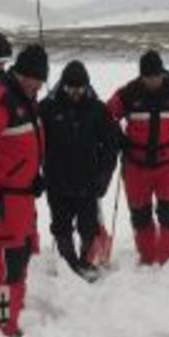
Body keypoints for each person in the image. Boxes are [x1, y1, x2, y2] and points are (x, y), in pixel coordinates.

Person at [0, 44, 48, 337]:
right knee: (7, 268)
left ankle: (14, 311)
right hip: (5, 200)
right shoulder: (0, 101)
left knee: (21, 260)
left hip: (24, 197)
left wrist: (35, 175)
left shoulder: (27, 99)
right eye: (36, 79)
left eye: (42, 79)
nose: (40, 84)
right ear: (23, 74)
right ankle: (4, 325)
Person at [107, 50, 169, 265]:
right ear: (141, 76)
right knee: (140, 215)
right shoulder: (128, 93)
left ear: (161, 73)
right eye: (148, 77)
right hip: (136, 165)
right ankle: (148, 258)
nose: (153, 81)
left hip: (167, 164)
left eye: (156, 76)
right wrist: (118, 138)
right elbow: (107, 114)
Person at [39, 60, 119, 281]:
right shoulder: (47, 107)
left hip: (88, 182)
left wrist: (104, 176)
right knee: (61, 227)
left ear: (87, 86)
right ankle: (69, 263)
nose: (75, 93)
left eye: (80, 89)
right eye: (70, 89)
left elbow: (111, 146)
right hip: (57, 182)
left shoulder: (97, 109)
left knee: (88, 227)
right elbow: (34, 143)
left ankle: (84, 261)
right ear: (62, 85)